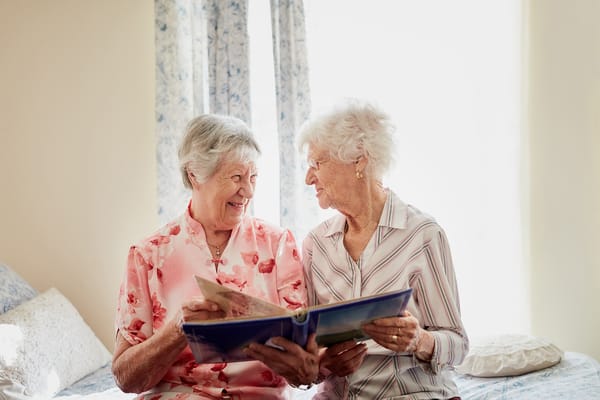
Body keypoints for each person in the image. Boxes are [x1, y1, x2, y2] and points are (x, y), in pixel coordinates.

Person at [112, 114, 319, 400]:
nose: (247, 191)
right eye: (236, 177)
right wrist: (176, 331)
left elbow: (305, 365)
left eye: (253, 177)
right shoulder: (148, 254)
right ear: (195, 174)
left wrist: (306, 370)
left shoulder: (278, 244)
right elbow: (126, 378)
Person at [297, 100, 469, 399]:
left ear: (359, 160)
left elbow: (457, 345)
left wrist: (419, 340)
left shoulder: (422, 234)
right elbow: (309, 350)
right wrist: (325, 363)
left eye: (317, 164)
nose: (309, 178)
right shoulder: (316, 244)